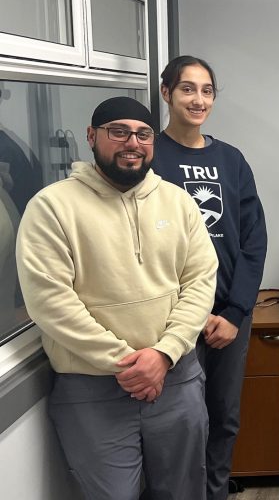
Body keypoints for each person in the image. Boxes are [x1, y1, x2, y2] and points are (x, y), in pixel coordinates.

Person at [16, 96, 218, 500]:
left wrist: (163, 355)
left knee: (184, 491)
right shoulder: (53, 207)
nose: (132, 142)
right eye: (118, 131)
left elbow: (200, 281)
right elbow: (51, 302)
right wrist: (128, 364)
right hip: (92, 387)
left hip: (176, 378)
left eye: (143, 134)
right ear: (92, 137)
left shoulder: (178, 203)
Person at [150, 55, 268, 500]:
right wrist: (186, 317)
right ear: (167, 93)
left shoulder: (231, 160)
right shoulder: (150, 156)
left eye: (206, 91)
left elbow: (254, 241)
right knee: (179, 422)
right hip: (171, 319)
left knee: (223, 417)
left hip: (228, 319)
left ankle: (215, 494)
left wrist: (236, 310)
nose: (198, 99)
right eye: (187, 89)